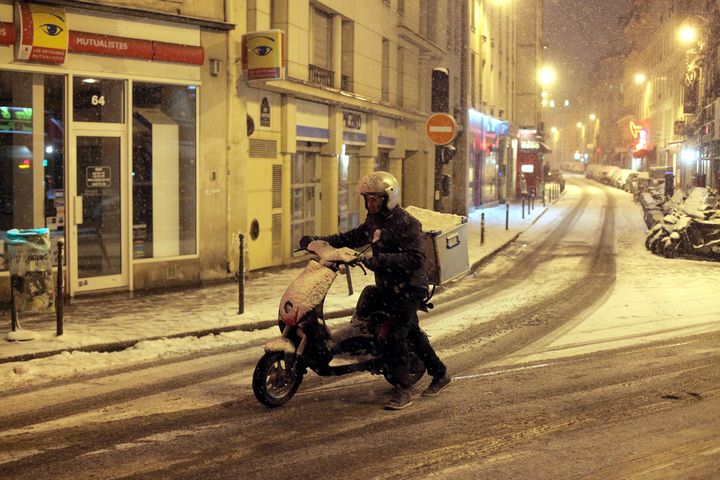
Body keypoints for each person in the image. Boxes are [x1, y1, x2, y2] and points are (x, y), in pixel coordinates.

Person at [299, 171, 451, 410]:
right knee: (376, 304)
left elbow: (416, 259)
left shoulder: (408, 223)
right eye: (367, 199)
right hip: (388, 285)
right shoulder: (374, 221)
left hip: (410, 287)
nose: (369, 204)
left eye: (374, 199)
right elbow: (353, 236)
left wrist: (377, 261)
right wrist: (319, 241)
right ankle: (437, 372)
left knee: (398, 334)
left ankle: (403, 390)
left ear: (388, 197)